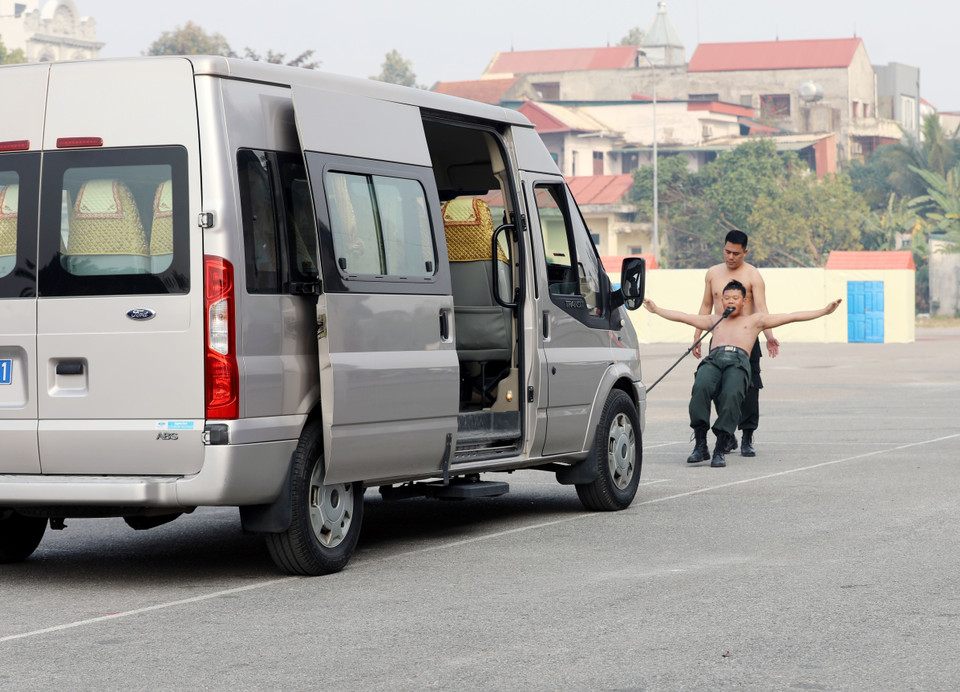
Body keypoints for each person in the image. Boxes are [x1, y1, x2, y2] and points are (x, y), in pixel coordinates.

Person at [644, 281, 841, 468]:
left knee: (731, 395)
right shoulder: (714, 319)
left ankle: (720, 448)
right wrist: (656, 310)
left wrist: (824, 311)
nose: (730, 301)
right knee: (700, 388)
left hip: (738, 361)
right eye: (726, 297)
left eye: (735, 298)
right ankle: (701, 444)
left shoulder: (755, 321)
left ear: (744, 301)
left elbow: (792, 316)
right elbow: (683, 316)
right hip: (714, 359)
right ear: (721, 301)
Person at [692, 230, 777, 458]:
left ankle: (747, 436)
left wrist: (769, 337)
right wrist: (697, 336)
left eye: (736, 253)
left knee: (750, 389)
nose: (730, 257)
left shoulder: (753, 275)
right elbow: (705, 307)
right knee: (717, 387)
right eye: (727, 251)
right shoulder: (712, 274)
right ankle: (727, 436)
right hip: (719, 338)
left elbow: (762, 309)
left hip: (746, 340)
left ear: (745, 252)